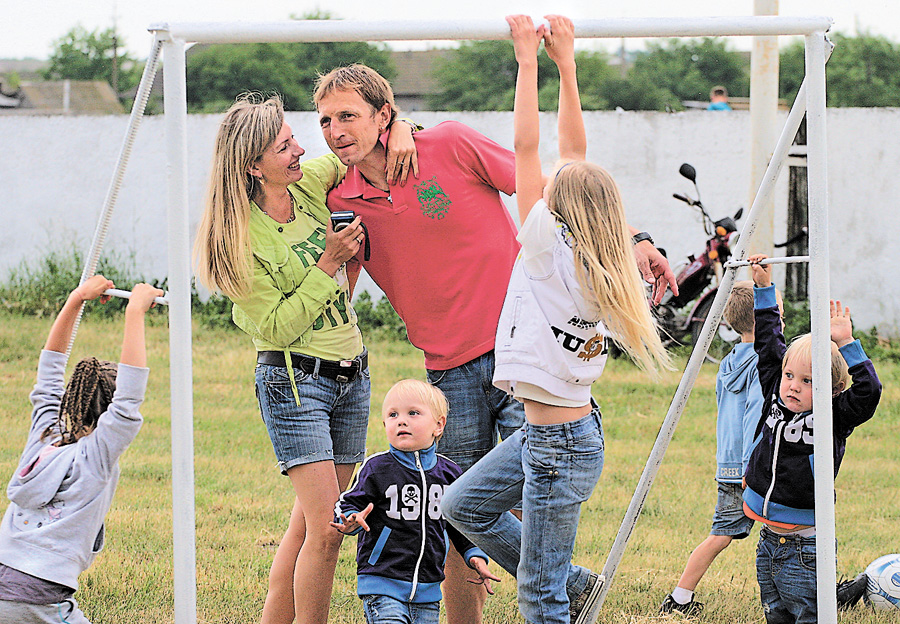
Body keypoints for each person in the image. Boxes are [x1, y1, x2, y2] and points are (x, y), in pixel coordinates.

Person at [315, 59, 676, 624]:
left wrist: (639, 237)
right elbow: (338, 280)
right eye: (325, 120)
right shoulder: (340, 196)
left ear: (385, 115)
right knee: (455, 511)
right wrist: (335, 261)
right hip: (448, 370)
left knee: (534, 513)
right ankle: (557, 585)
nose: (336, 131)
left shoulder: (453, 148)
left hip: (518, 366)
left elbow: (561, 184)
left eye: (349, 117)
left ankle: (552, 589)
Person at [442, 15, 671, 624]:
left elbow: (528, 148)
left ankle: (557, 585)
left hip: (558, 446)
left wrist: (527, 62)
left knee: (535, 598)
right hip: (555, 435)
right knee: (462, 506)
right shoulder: (601, 258)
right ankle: (574, 581)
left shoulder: (547, 251)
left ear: (559, 209)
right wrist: (566, 65)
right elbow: (571, 155)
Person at [192, 93, 416, 624]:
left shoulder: (308, 184)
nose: (299, 150)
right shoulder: (237, 238)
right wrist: (328, 264)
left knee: (305, 529)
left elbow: (357, 143)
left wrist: (401, 126)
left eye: (294, 139)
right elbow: (275, 328)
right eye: (284, 146)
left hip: (352, 377)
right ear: (252, 165)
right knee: (330, 528)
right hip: (296, 384)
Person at [0, 276, 162, 623]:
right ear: (108, 413)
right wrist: (134, 311)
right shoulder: (97, 455)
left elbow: (49, 370)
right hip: (38, 596)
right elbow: (129, 400)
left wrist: (76, 299)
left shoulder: (44, 434)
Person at [744, 254, 882, 624]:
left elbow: (869, 392)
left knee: (808, 614)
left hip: (807, 547)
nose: (793, 386)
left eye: (808, 381)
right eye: (791, 375)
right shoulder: (776, 387)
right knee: (775, 612)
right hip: (768, 542)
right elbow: (769, 344)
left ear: (833, 388)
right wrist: (763, 290)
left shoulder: (834, 413)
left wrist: (847, 343)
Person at [331, 380, 500, 624]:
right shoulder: (377, 468)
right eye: (392, 415)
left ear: (439, 425)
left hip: (428, 589)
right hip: (382, 582)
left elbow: (458, 524)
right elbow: (349, 501)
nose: (401, 420)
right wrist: (349, 518)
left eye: (413, 413)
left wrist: (474, 555)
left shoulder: (450, 474)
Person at [660, 280, 765, 615]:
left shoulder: (728, 362)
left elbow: (725, 411)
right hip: (752, 467)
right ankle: (678, 599)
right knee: (795, 525)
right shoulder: (764, 365)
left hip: (728, 463)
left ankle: (680, 597)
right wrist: (751, 466)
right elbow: (754, 417)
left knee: (722, 533)